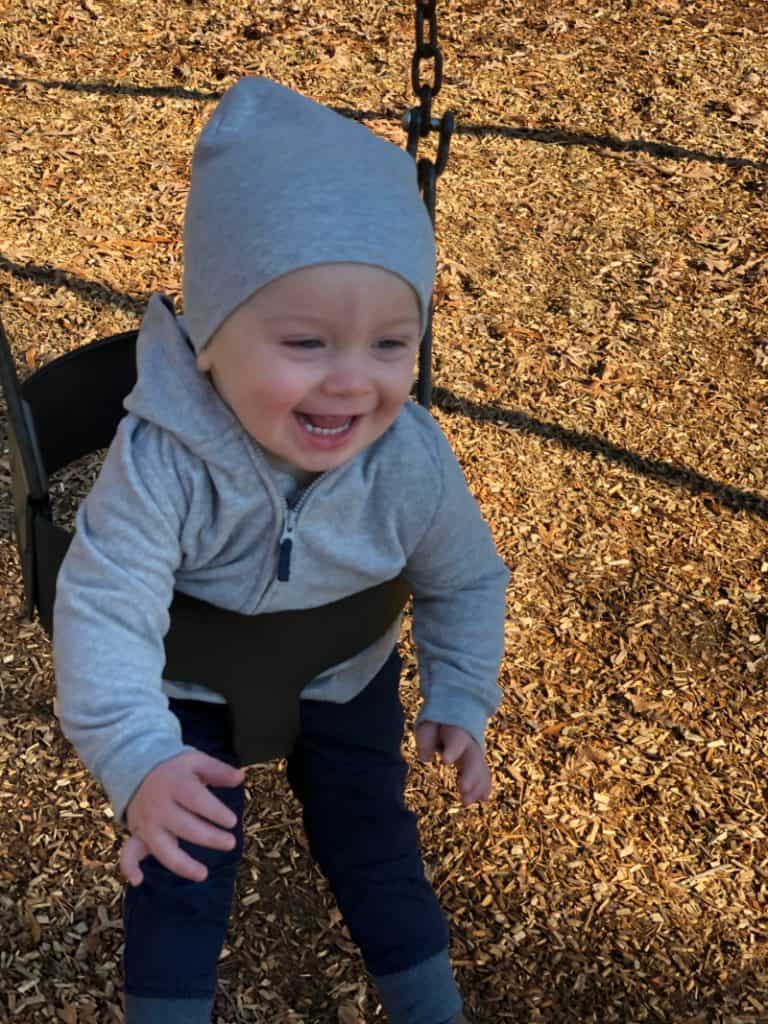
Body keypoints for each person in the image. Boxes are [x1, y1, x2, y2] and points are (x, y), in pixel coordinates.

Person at [53, 77, 508, 1024]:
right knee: (180, 861)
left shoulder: (409, 458)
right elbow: (103, 607)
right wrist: (138, 757)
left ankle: (432, 1007)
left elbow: (465, 576)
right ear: (213, 340)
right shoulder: (165, 459)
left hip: (349, 680)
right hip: (190, 697)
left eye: (392, 343)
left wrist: (461, 690)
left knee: (374, 842)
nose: (353, 381)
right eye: (306, 341)